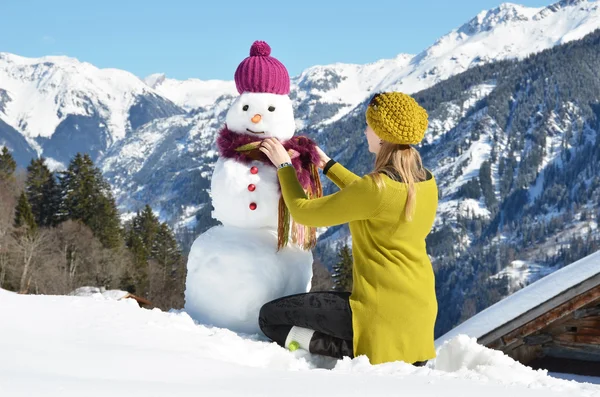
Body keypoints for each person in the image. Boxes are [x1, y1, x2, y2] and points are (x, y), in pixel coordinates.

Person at [257, 91, 438, 366]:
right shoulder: (426, 183)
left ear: (382, 136)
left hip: (379, 316)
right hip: (419, 317)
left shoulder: (376, 188)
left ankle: (356, 351)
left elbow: (303, 212)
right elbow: (372, 198)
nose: (365, 131)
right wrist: (327, 165)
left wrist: (284, 166)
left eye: (369, 125)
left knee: (269, 318)